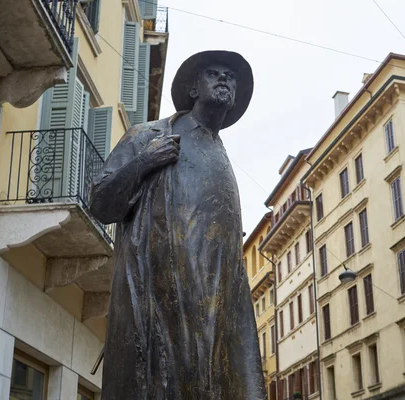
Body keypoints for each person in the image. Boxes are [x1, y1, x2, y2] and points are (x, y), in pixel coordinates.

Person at [90, 50, 264, 399]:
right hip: (158, 305)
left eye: (230, 77)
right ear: (193, 88)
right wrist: (143, 162)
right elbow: (100, 202)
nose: (224, 79)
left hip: (216, 309)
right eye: (213, 73)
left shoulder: (222, 158)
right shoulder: (149, 135)